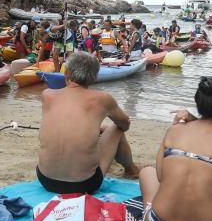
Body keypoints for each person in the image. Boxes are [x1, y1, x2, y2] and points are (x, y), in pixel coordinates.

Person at [138, 77, 212, 221]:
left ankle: (148, 210)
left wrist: (190, 121)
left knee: (146, 172)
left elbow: (160, 176)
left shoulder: (174, 130)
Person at [37, 52, 140, 194]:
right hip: (84, 185)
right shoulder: (103, 99)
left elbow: (67, 121)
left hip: (46, 180)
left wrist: (97, 128)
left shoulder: (47, 95)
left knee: (101, 129)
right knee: (116, 129)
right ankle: (131, 170)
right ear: (94, 77)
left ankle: (130, 168)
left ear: (66, 73)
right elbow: (124, 125)